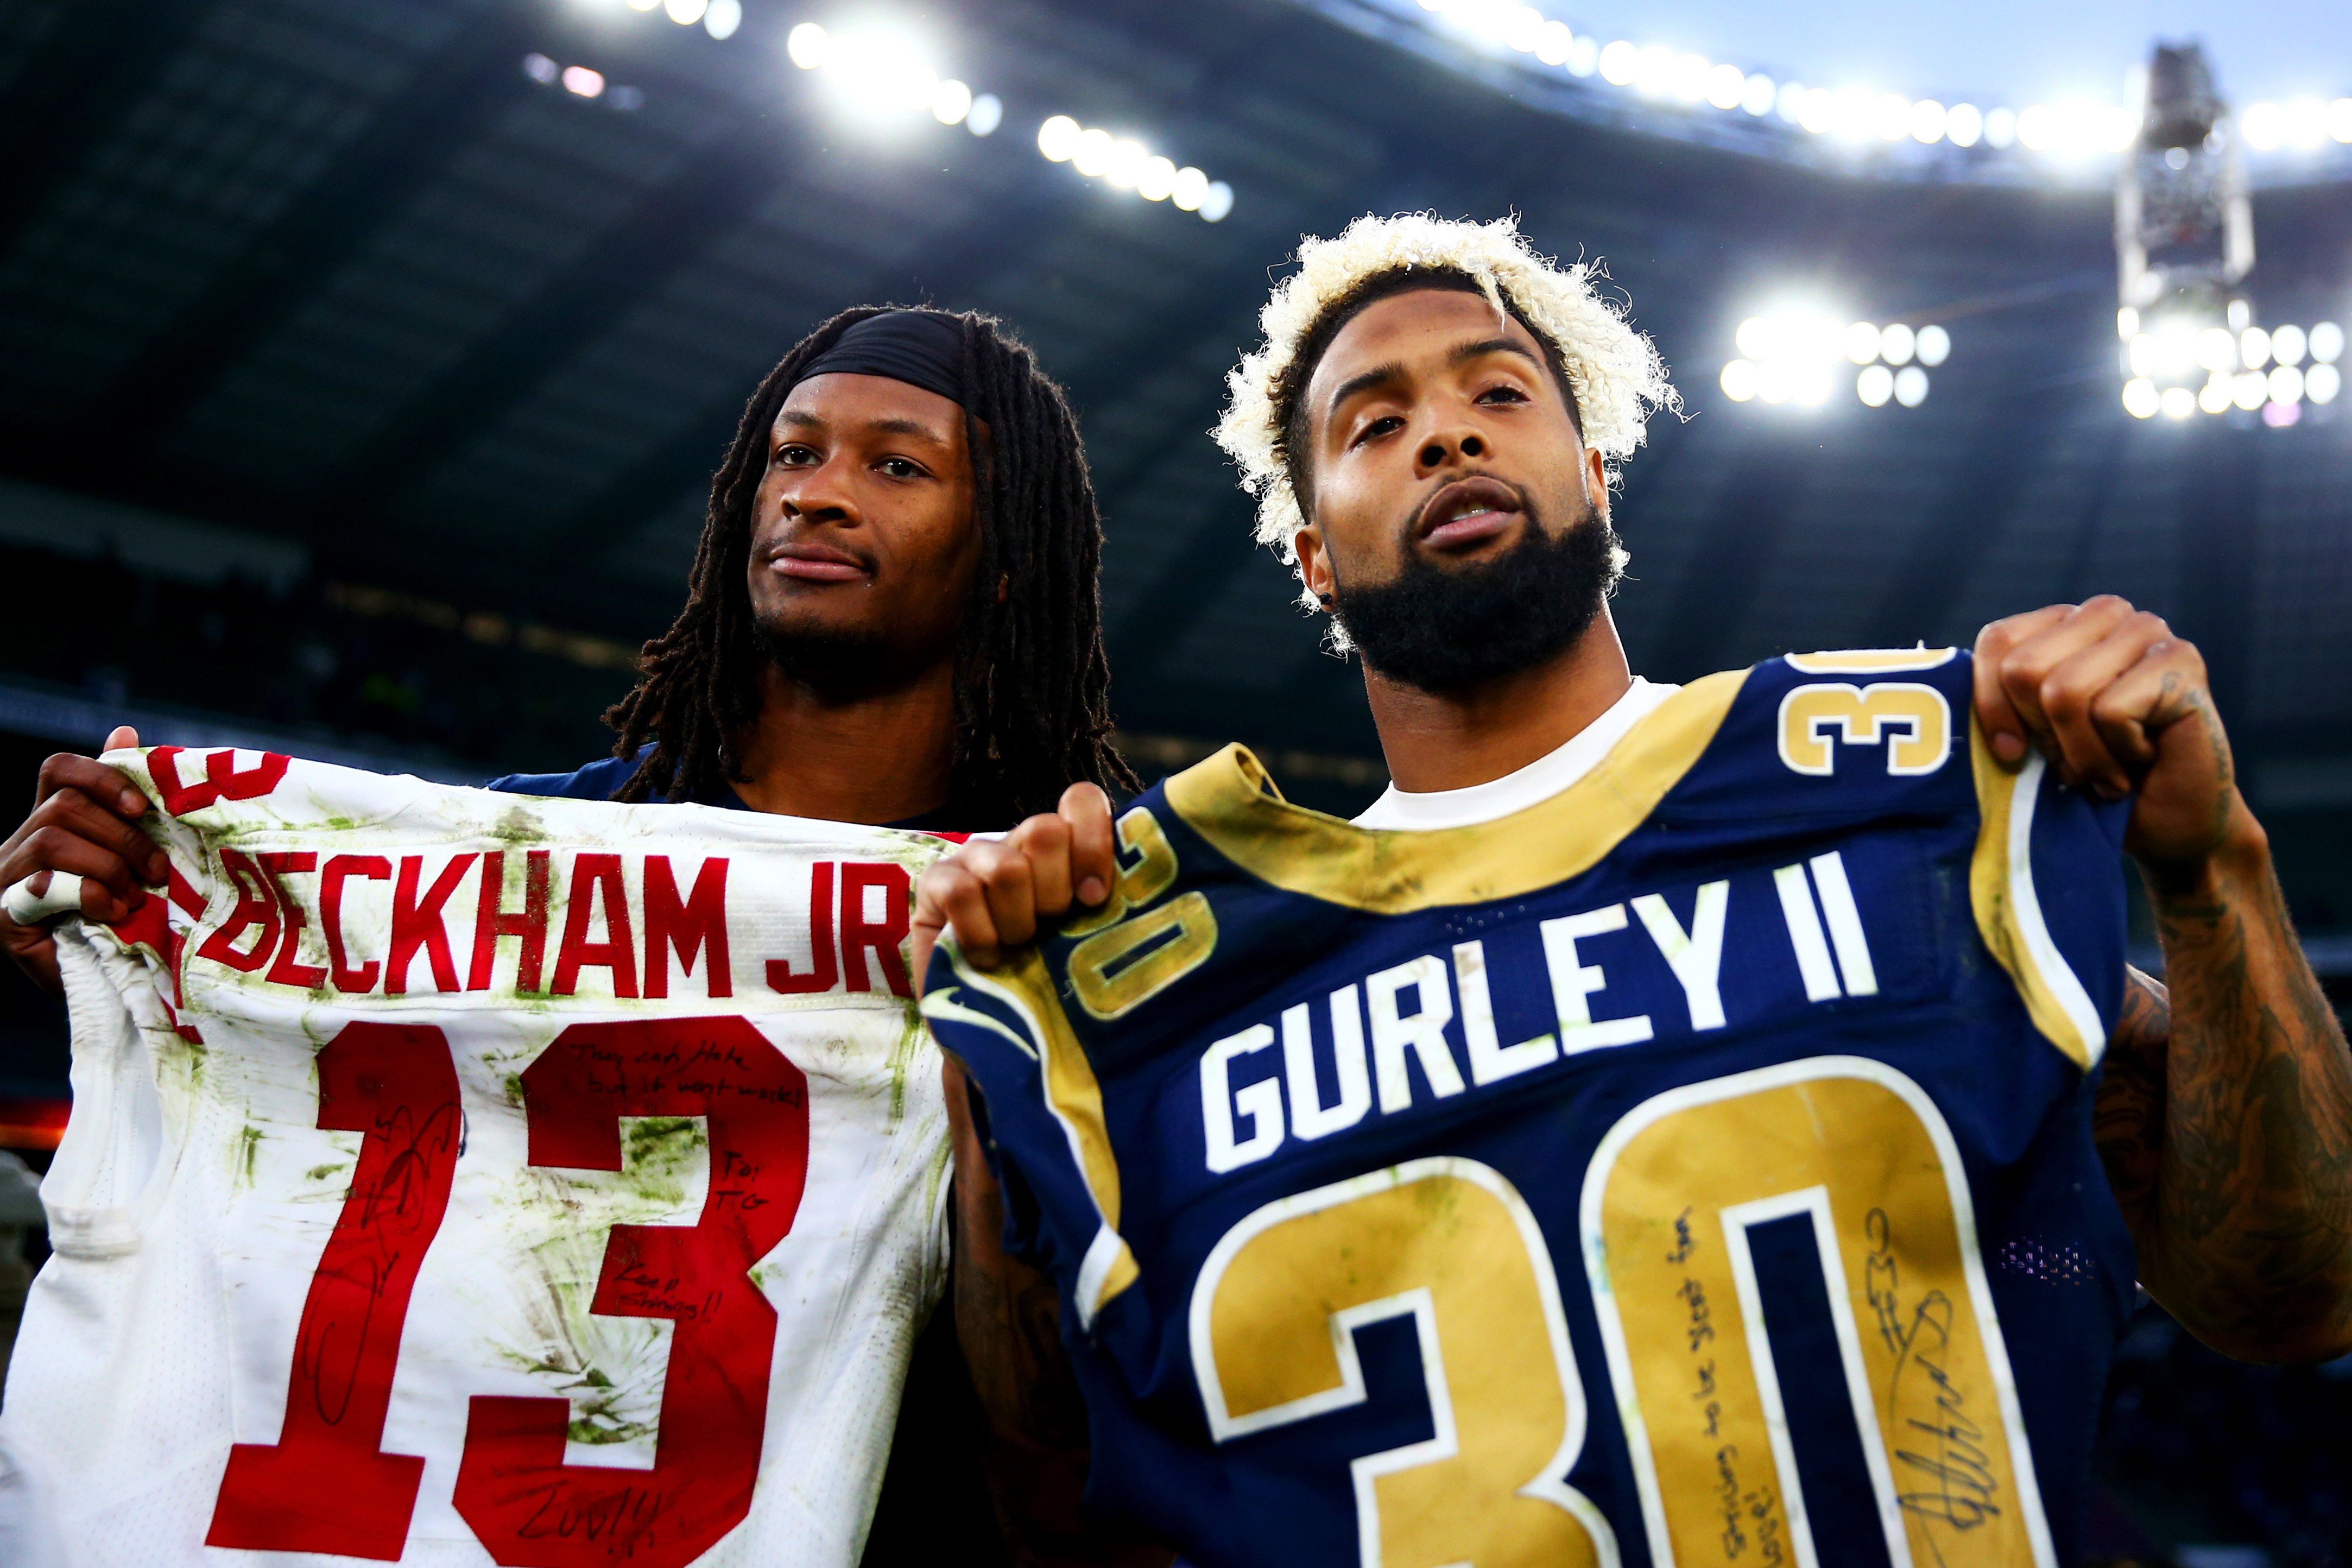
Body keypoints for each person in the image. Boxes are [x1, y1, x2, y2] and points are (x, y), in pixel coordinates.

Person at [908, 214, 2352, 1568]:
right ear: (1313, 560)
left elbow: (2293, 1294)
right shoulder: (1173, 980)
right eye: (1375, 423)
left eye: (1497, 393)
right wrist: (1004, 1088)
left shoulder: (1904, 800)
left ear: (1595, 475)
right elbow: (1043, 1467)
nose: (1446, 432)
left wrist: (2213, 862)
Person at [0, 306, 1143, 1565]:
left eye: (897, 465)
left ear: (1008, 554)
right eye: (793, 453)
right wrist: (126, 927)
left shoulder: (1049, 909)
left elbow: (1075, 1469)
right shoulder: (511, 852)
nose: (816, 496)